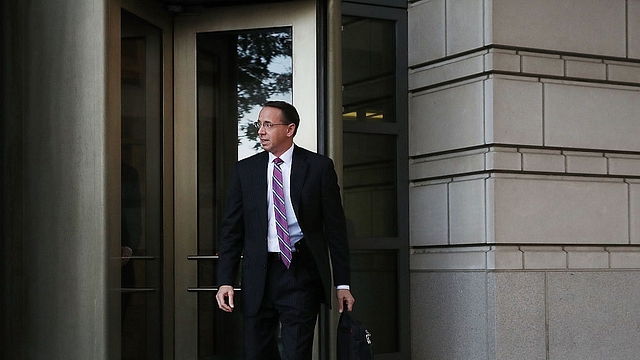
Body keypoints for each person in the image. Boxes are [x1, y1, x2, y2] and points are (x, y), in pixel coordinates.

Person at [215, 101, 355, 360]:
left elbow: (335, 230)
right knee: (257, 353)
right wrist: (225, 279)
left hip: (300, 273)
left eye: (268, 124)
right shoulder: (245, 170)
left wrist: (343, 283)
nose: (261, 131)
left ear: (290, 129)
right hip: (259, 273)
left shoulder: (318, 167)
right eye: (259, 124)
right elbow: (232, 231)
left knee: (296, 354)